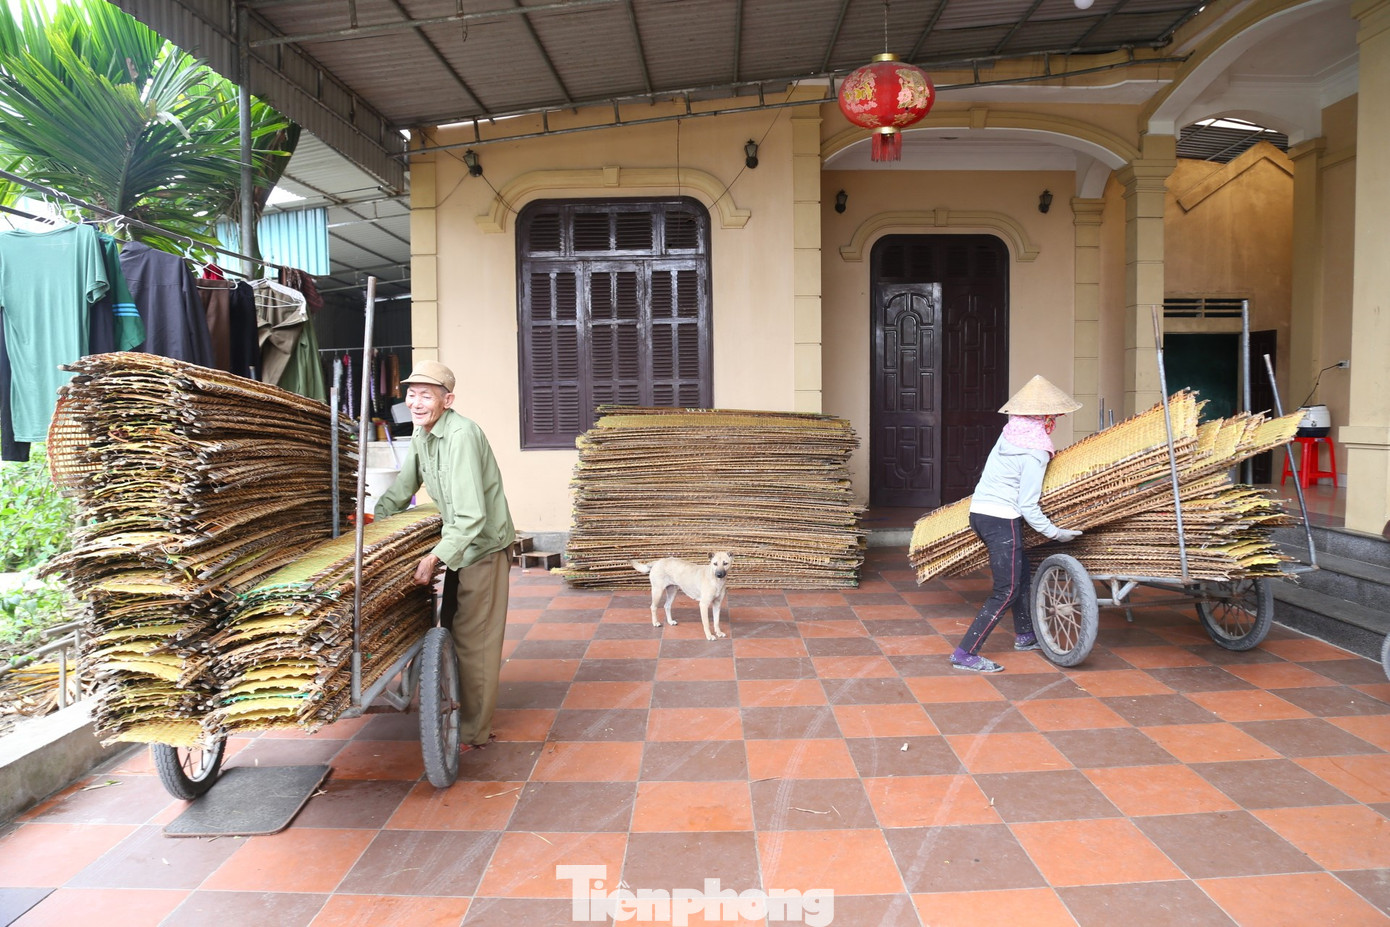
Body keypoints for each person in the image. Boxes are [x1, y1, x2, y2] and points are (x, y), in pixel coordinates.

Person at [374, 360, 516, 748]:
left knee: (475, 641)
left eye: (426, 395)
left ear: (447, 400)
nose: (416, 403)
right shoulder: (423, 434)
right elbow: (404, 486)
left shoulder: (462, 436)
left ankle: (473, 730)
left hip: (483, 547)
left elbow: (473, 515)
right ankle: (456, 708)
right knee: (451, 628)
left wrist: (435, 556)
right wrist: (377, 525)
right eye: (411, 394)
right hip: (458, 544)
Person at [951, 375, 1083, 673]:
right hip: (1001, 520)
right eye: (1052, 416)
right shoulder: (1035, 450)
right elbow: (1028, 505)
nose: (1054, 420)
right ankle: (965, 653)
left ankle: (1025, 635)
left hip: (980, 514)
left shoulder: (1011, 433)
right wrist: (1056, 533)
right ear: (1045, 417)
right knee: (1007, 590)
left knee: (1021, 575)